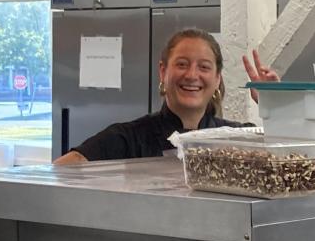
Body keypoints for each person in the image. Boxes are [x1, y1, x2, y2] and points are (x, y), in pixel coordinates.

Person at [55, 28, 244, 164]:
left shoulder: (237, 139)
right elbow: (60, 172)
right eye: (182, 64)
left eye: (204, 67)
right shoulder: (127, 138)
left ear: (217, 78)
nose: (192, 75)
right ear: (163, 71)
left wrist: (272, 105)